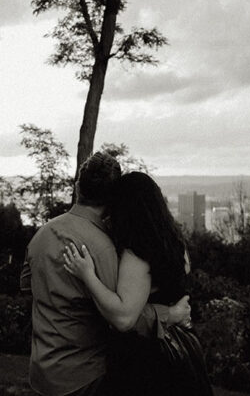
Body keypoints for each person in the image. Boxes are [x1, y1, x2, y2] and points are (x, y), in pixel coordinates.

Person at [21, 153, 190, 396]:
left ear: (78, 186)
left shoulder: (42, 235)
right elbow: (124, 318)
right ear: (112, 198)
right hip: (84, 376)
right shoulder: (104, 248)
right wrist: (170, 314)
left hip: (42, 373)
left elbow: (27, 285)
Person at [63, 171, 213, 396]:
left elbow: (123, 318)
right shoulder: (175, 245)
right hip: (183, 351)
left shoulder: (138, 254)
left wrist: (88, 275)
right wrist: (170, 313)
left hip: (146, 361)